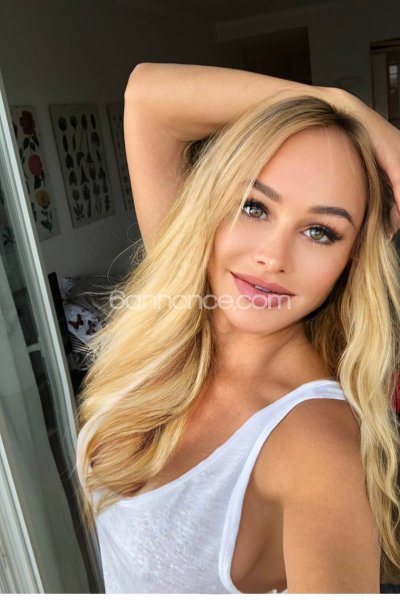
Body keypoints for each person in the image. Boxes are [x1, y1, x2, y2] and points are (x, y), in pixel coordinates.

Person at [74, 63, 400, 593]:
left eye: (320, 232)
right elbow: (148, 97)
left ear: (353, 260)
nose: (272, 257)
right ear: (213, 207)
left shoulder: (315, 446)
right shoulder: (185, 306)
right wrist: (342, 105)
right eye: (253, 206)